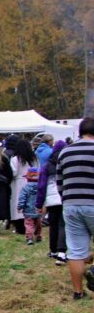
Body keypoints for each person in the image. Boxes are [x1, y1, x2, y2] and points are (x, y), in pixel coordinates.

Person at [57, 117, 94, 300]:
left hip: (71, 205)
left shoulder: (65, 152)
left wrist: (67, 199)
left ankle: (78, 292)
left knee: (76, 251)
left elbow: (59, 182)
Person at [36, 140, 67, 263]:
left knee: (53, 225)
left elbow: (41, 186)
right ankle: (61, 252)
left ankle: (53, 250)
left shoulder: (46, 166)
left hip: (51, 200)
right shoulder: (66, 163)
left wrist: (39, 203)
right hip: (64, 197)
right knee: (62, 225)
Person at [10, 139, 37, 235]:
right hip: (32, 181)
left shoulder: (15, 159)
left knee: (19, 202)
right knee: (31, 202)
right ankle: (32, 225)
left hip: (19, 182)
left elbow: (13, 172)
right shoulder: (34, 158)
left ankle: (20, 227)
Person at [17, 167, 43, 245]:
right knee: (38, 224)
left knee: (29, 224)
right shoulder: (40, 188)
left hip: (28, 210)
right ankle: (38, 236)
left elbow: (22, 198)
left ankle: (30, 238)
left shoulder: (25, 188)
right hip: (38, 209)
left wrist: (20, 206)